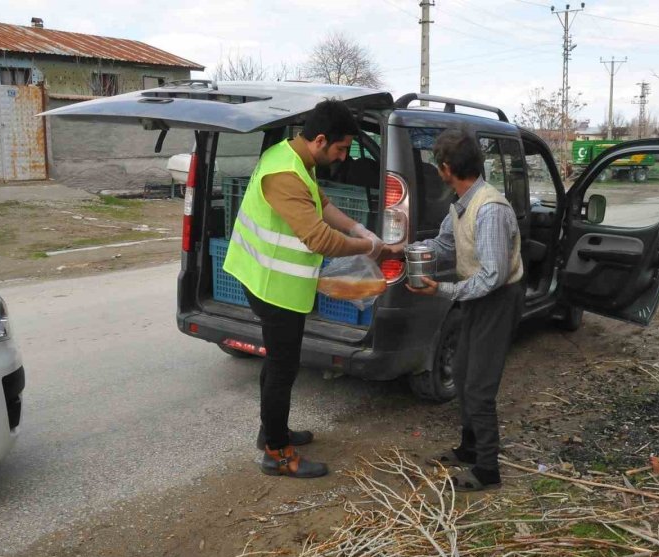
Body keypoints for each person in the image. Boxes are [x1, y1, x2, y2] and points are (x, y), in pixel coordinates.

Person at [225, 99, 387, 478]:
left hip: (277, 282)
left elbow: (322, 204)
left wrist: (357, 228)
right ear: (319, 140)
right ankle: (277, 454)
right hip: (271, 285)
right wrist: (369, 247)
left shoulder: (294, 158)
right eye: (341, 148)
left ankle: (273, 431)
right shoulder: (284, 173)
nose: (344, 157)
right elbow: (317, 237)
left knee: (281, 365)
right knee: (282, 369)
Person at [407, 128, 524, 492]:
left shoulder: (488, 209)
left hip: (496, 298)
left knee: (479, 383)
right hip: (476, 295)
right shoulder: (461, 203)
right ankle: (469, 447)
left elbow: (492, 277)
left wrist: (441, 289)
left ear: (446, 169)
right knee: (462, 370)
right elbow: (443, 244)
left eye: (436, 167)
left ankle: (488, 468)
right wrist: (404, 251)